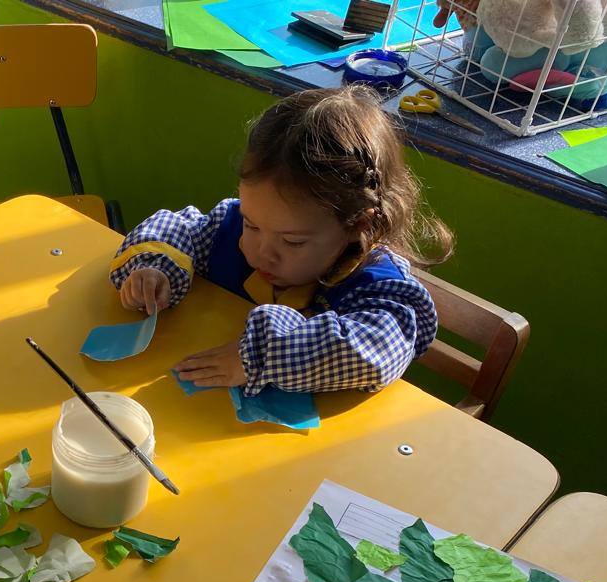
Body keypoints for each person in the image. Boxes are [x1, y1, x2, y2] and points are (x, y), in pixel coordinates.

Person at [110, 86, 453, 396]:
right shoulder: (231, 228)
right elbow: (177, 229)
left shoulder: (377, 285)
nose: (261, 252)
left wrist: (259, 356)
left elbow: (378, 350)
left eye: (292, 242)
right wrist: (155, 269)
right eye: (252, 224)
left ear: (358, 224)